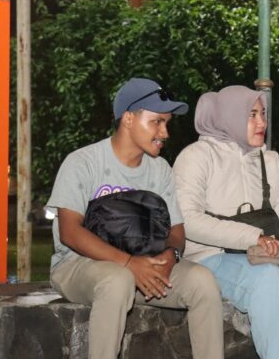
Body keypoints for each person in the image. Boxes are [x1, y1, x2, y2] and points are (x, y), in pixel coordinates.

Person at [46, 77, 224, 359]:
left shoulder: (160, 169)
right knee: (117, 280)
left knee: (202, 281)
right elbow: (70, 232)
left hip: (143, 265)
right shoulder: (83, 162)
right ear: (128, 119)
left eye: (167, 123)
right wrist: (129, 263)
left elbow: (176, 230)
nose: (164, 133)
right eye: (157, 122)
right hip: (78, 265)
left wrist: (170, 255)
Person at [173, 85, 279, 359]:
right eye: (252, 115)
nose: (262, 122)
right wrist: (252, 237)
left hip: (263, 254)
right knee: (266, 279)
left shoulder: (270, 160)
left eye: (263, 114)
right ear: (230, 116)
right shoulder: (196, 157)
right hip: (210, 257)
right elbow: (188, 220)